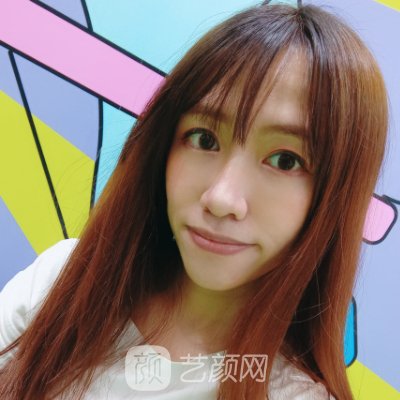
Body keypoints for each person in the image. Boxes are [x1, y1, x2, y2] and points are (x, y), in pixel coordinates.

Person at [0, 2, 388, 399]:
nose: (221, 198)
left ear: (334, 196)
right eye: (204, 138)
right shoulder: (62, 282)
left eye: (285, 160)